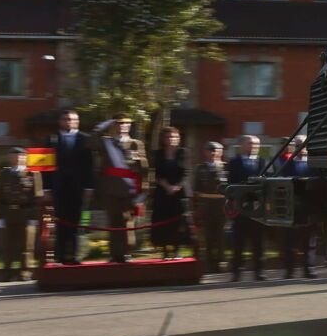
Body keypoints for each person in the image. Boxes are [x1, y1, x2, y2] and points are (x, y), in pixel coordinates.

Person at [93, 115, 148, 264]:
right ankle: (114, 255)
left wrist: (142, 194)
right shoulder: (106, 143)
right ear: (113, 125)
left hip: (130, 192)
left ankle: (126, 254)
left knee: (128, 223)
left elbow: (144, 170)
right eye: (119, 123)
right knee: (113, 223)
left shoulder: (136, 144)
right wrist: (106, 122)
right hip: (111, 191)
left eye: (126, 123)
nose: (123, 126)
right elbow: (92, 139)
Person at [46, 108, 94, 265]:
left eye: (73, 119)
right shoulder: (51, 139)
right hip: (58, 188)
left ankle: (74, 256)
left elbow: (90, 166)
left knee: (76, 223)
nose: (70, 122)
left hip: (78, 188)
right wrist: (46, 189)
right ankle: (60, 256)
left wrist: (89, 187)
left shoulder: (85, 139)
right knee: (60, 223)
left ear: (78, 122)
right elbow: (45, 167)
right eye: (66, 119)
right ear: (60, 122)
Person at [0, 147, 43, 281]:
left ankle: (25, 272)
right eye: (14, 156)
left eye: (21, 156)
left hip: (26, 213)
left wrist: (34, 217)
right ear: (9, 158)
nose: (17, 158)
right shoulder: (3, 174)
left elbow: (37, 196)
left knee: (26, 246)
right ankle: (7, 273)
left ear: (25, 158)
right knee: (7, 246)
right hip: (7, 212)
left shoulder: (33, 174)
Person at [225, 136, 266, 280]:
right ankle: (236, 272)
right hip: (240, 208)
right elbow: (230, 183)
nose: (254, 146)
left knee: (258, 242)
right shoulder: (234, 162)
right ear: (241, 145)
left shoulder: (263, 162)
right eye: (250, 143)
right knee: (238, 242)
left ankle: (258, 272)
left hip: (257, 208)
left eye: (256, 144)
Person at [275, 138, 314, 278]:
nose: (301, 148)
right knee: (289, 241)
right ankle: (289, 270)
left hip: (308, 206)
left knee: (307, 241)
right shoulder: (287, 163)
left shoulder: (313, 163)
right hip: (291, 207)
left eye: (304, 146)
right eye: (298, 145)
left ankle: (307, 269)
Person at [148, 127, 188, 259]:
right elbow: (157, 174)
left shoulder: (183, 152)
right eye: (169, 137)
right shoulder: (159, 154)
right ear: (164, 139)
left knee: (178, 221)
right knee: (163, 220)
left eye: (175, 137)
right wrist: (167, 187)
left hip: (178, 192)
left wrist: (177, 186)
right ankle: (165, 250)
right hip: (163, 192)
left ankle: (176, 250)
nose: (172, 139)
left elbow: (186, 173)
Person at [192, 140, 229, 274]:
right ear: (205, 153)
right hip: (206, 205)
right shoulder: (200, 168)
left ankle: (220, 262)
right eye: (210, 150)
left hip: (221, 206)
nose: (213, 153)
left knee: (220, 236)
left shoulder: (226, 167)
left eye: (217, 150)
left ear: (221, 152)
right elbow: (196, 189)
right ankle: (207, 264)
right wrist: (197, 209)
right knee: (207, 236)